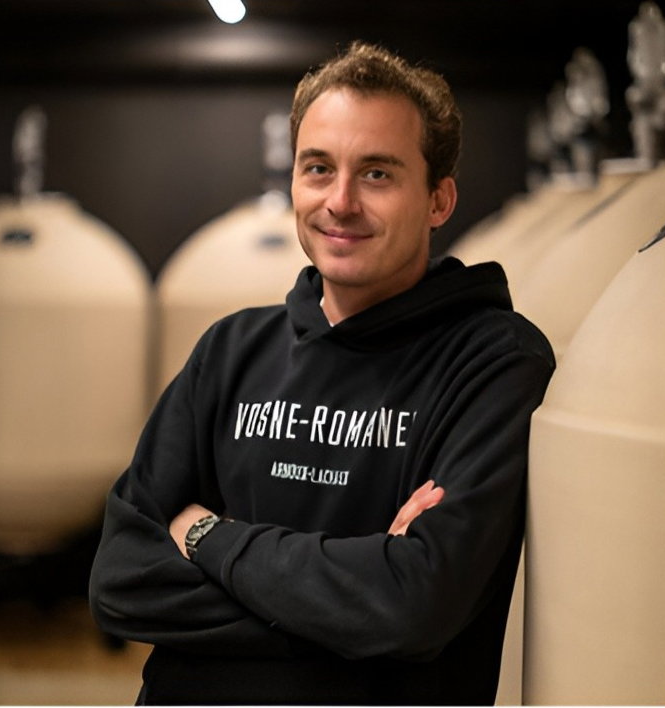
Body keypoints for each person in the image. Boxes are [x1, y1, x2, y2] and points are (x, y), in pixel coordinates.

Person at [88, 41, 555, 705]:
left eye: (377, 174)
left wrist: (204, 533)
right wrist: (350, 603)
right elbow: (121, 582)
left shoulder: (494, 363)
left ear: (439, 199)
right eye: (318, 169)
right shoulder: (231, 349)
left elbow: (411, 607)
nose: (340, 201)